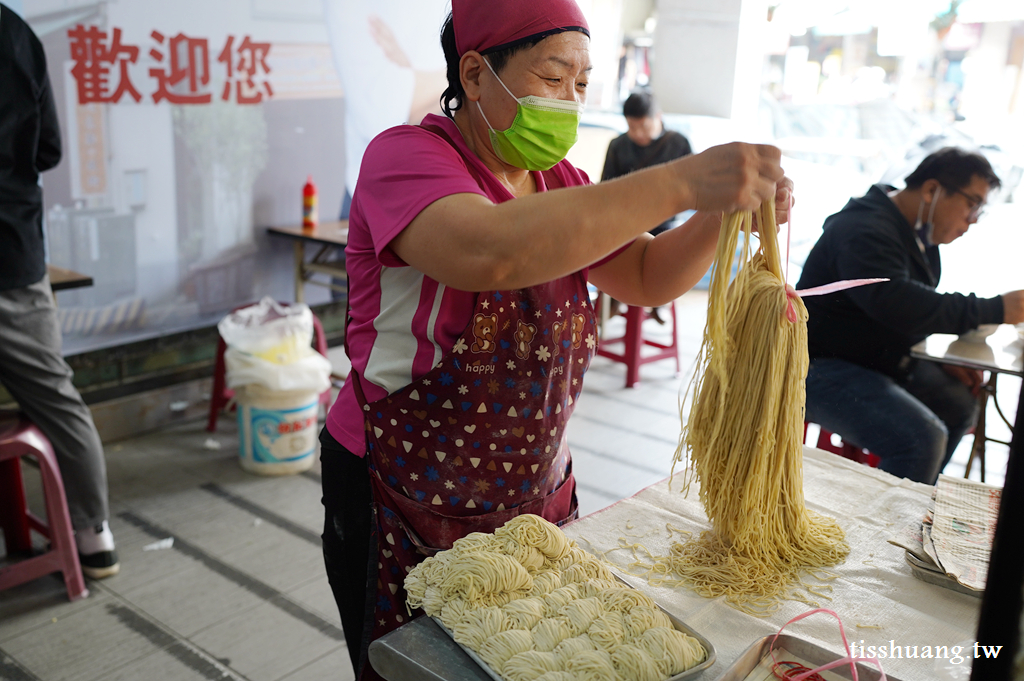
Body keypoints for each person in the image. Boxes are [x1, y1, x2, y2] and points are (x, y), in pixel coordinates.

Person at [317, 0, 791, 678]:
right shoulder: (404, 157)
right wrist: (681, 178)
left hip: (533, 492)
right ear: (476, 74)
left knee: (536, 658)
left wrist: (724, 214)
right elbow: (488, 251)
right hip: (402, 491)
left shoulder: (557, 181)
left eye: (581, 83)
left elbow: (648, 273)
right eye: (552, 77)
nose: (569, 100)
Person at [798, 147, 1024, 485]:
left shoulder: (918, 233)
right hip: (817, 365)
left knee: (960, 404)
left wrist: (933, 357)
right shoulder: (864, 228)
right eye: (972, 203)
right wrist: (996, 309)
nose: (973, 219)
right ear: (932, 190)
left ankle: (914, 499)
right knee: (922, 438)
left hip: (871, 358)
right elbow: (897, 303)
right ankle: (887, 527)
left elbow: (902, 313)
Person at [0, 3, 119, 578]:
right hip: (13, 253)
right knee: (57, 399)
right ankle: (95, 534)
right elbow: (47, 150)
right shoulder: (17, 32)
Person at [601, 90, 693, 322]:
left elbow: (692, 191)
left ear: (658, 117)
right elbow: (605, 190)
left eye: (643, 126)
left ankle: (658, 297)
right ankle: (612, 298)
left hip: (666, 222)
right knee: (604, 242)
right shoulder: (618, 145)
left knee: (667, 246)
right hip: (627, 222)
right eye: (632, 126)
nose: (637, 133)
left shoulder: (678, 143)